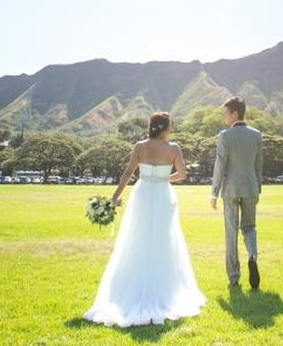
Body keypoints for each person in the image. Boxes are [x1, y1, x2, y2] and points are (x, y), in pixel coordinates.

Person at [84, 112, 206, 327]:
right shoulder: (173, 148)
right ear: (166, 128)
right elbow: (183, 174)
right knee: (163, 240)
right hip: (163, 195)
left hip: (142, 194)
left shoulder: (140, 146)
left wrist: (114, 198)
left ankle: (133, 285)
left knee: (136, 237)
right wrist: (164, 178)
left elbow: (128, 173)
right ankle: (165, 288)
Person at [211, 96, 263, 289]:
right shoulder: (256, 135)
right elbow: (259, 164)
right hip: (250, 188)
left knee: (231, 233)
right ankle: (253, 255)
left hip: (230, 190)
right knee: (249, 227)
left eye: (226, 113)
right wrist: (258, 188)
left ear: (234, 113)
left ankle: (234, 277)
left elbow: (220, 165)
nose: (224, 117)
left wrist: (214, 192)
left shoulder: (225, 136)